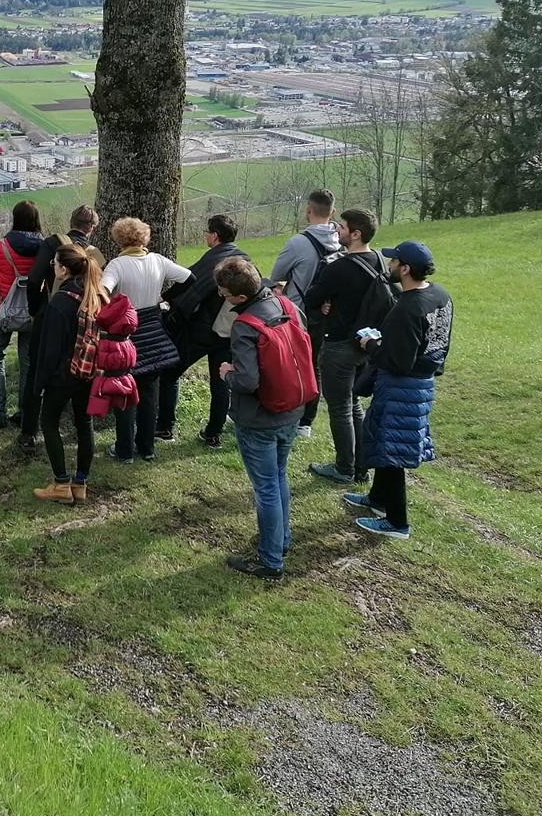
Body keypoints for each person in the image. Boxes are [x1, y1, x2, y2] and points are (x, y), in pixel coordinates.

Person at [343, 240, 453, 540]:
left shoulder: (407, 307)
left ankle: (397, 522)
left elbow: (398, 360)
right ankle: (378, 500)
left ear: (405, 269)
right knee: (383, 440)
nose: (389, 265)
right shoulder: (441, 295)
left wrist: (371, 344)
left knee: (392, 451)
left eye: (393, 262)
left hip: (401, 386)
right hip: (423, 382)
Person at [215, 257, 311, 579]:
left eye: (225, 293)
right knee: (279, 475)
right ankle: (281, 539)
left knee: (265, 488)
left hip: (259, 420)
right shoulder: (286, 305)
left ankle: (271, 561)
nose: (223, 297)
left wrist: (227, 373)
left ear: (240, 298)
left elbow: (247, 381)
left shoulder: (245, 326)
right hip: (291, 409)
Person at [303, 208, 389, 485]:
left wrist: (326, 303)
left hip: (340, 343)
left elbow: (312, 296)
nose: (336, 231)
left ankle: (344, 468)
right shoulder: (379, 260)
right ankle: (361, 465)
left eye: (341, 227)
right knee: (353, 404)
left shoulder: (338, 267)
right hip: (366, 342)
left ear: (355, 234)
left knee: (340, 407)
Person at [101, 217, 190, 462]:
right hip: (153, 328)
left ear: (119, 239)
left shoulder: (117, 265)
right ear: (144, 238)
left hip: (126, 334)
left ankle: (124, 450)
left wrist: (112, 309)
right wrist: (166, 297)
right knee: (150, 392)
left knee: (124, 391)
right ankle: (147, 448)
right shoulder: (158, 261)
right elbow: (189, 278)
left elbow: (103, 290)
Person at [158, 214, 247, 447]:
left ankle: (165, 427)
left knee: (170, 373)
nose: (206, 235)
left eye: (207, 232)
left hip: (202, 332)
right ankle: (213, 434)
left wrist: (166, 302)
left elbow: (189, 284)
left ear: (215, 235)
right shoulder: (244, 259)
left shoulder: (215, 259)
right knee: (221, 382)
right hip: (230, 331)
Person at [29, 245, 106, 505]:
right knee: (84, 424)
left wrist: (39, 383)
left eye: (54, 262)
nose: (52, 266)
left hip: (63, 375)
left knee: (49, 421)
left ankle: (61, 484)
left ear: (63, 269)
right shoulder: (95, 294)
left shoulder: (61, 302)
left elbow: (49, 350)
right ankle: (80, 481)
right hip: (89, 371)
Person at [22, 205, 103, 434]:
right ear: (92, 228)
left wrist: (36, 308)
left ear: (71, 221)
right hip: (85, 317)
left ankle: (28, 431)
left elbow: (35, 277)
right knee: (79, 371)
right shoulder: (93, 252)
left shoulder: (53, 243)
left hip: (51, 313)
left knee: (36, 370)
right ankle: (82, 428)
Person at [269, 189, 341, 439]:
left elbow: (277, 273)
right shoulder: (341, 242)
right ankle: (306, 421)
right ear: (332, 212)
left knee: (286, 362)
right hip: (325, 315)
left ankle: (284, 409)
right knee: (313, 365)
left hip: (297, 313)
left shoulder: (299, 243)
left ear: (308, 210)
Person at [0, 200, 46, 435]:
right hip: (31, 310)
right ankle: (24, 411)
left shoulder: (1, 247)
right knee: (27, 362)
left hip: (3, 310)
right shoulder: (44, 247)